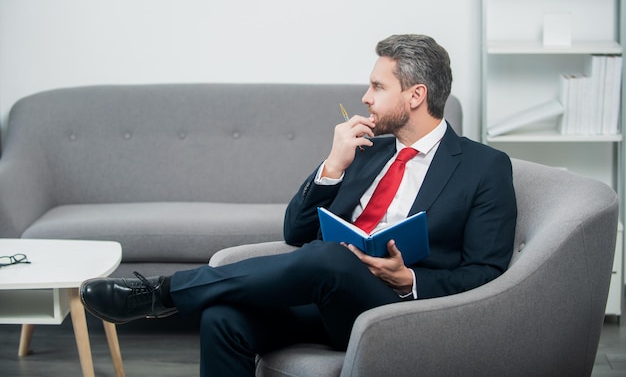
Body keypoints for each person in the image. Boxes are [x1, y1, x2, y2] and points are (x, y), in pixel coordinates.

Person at [80, 34, 517, 376]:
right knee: (222, 318)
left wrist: (408, 280)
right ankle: (173, 295)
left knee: (328, 256)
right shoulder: (367, 152)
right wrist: (332, 165)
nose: (365, 97)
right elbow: (295, 231)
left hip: (397, 312)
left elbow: (487, 272)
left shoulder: (484, 167)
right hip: (327, 296)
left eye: (377, 86)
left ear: (415, 95)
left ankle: (162, 293)